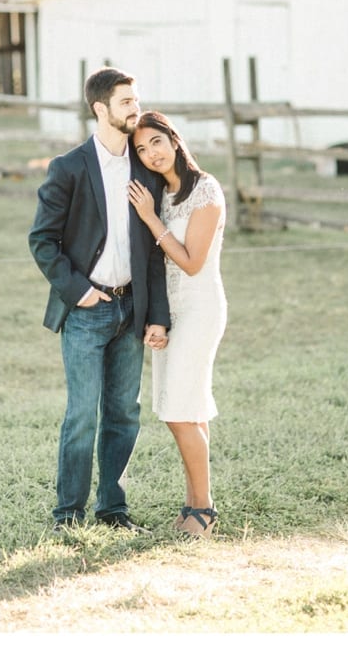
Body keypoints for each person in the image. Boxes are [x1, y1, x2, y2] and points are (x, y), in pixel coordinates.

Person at [29, 66, 170, 532]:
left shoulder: (143, 169)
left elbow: (152, 248)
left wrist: (156, 316)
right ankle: (68, 515)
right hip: (87, 311)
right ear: (101, 108)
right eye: (127, 102)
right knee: (82, 415)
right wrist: (80, 291)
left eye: (136, 99)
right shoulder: (68, 168)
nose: (136, 109)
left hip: (133, 310)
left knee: (124, 415)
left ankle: (114, 511)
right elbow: (42, 241)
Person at [126, 111, 227, 537]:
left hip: (201, 309)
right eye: (141, 150)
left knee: (178, 412)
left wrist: (151, 220)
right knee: (190, 409)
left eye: (156, 143)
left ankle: (203, 511)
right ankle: (193, 505)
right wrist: (158, 321)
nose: (151, 154)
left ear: (173, 138)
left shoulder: (206, 190)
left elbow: (190, 262)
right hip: (173, 312)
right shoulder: (160, 194)